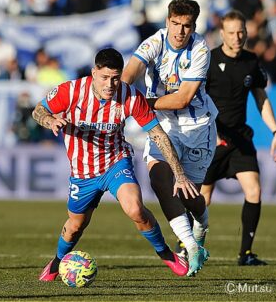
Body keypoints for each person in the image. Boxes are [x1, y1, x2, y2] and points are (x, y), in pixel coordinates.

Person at [34, 48, 198, 281]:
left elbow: (158, 134)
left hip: (115, 162)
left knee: (135, 209)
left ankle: (166, 254)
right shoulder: (70, 91)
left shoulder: (131, 96)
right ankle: (58, 261)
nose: (110, 84)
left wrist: (179, 173)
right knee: (75, 225)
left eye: (115, 78)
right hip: (82, 172)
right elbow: (38, 111)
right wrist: (49, 119)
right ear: (94, 73)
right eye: (104, 78)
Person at [122, 0, 218, 276]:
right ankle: (191, 246)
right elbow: (132, 71)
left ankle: (201, 224)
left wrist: (140, 104)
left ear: (194, 27)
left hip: (198, 130)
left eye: (186, 26)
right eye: (175, 24)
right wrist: (122, 94)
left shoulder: (200, 48)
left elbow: (182, 98)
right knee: (160, 179)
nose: (179, 31)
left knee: (189, 195)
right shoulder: (156, 41)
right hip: (163, 128)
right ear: (167, 21)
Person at [201, 10, 276, 265]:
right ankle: (189, 245)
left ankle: (245, 254)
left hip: (240, 138)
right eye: (232, 33)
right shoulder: (208, 61)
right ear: (222, 34)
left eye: (241, 32)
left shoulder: (251, 61)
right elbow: (195, 99)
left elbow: (260, 98)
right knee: (203, 198)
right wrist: (206, 131)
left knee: (254, 191)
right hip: (211, 139)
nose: (237, 37)